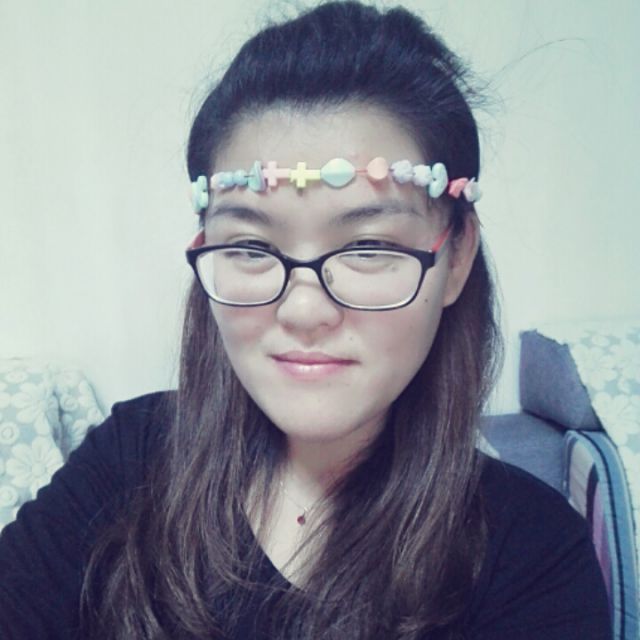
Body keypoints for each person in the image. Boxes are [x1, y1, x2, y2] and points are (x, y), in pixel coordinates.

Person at [0, 2, 611, 639]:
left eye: (368, 248)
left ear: (455, 258)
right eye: (249, 247)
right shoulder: (130, 458)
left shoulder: (533, 558)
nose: (303, 310)